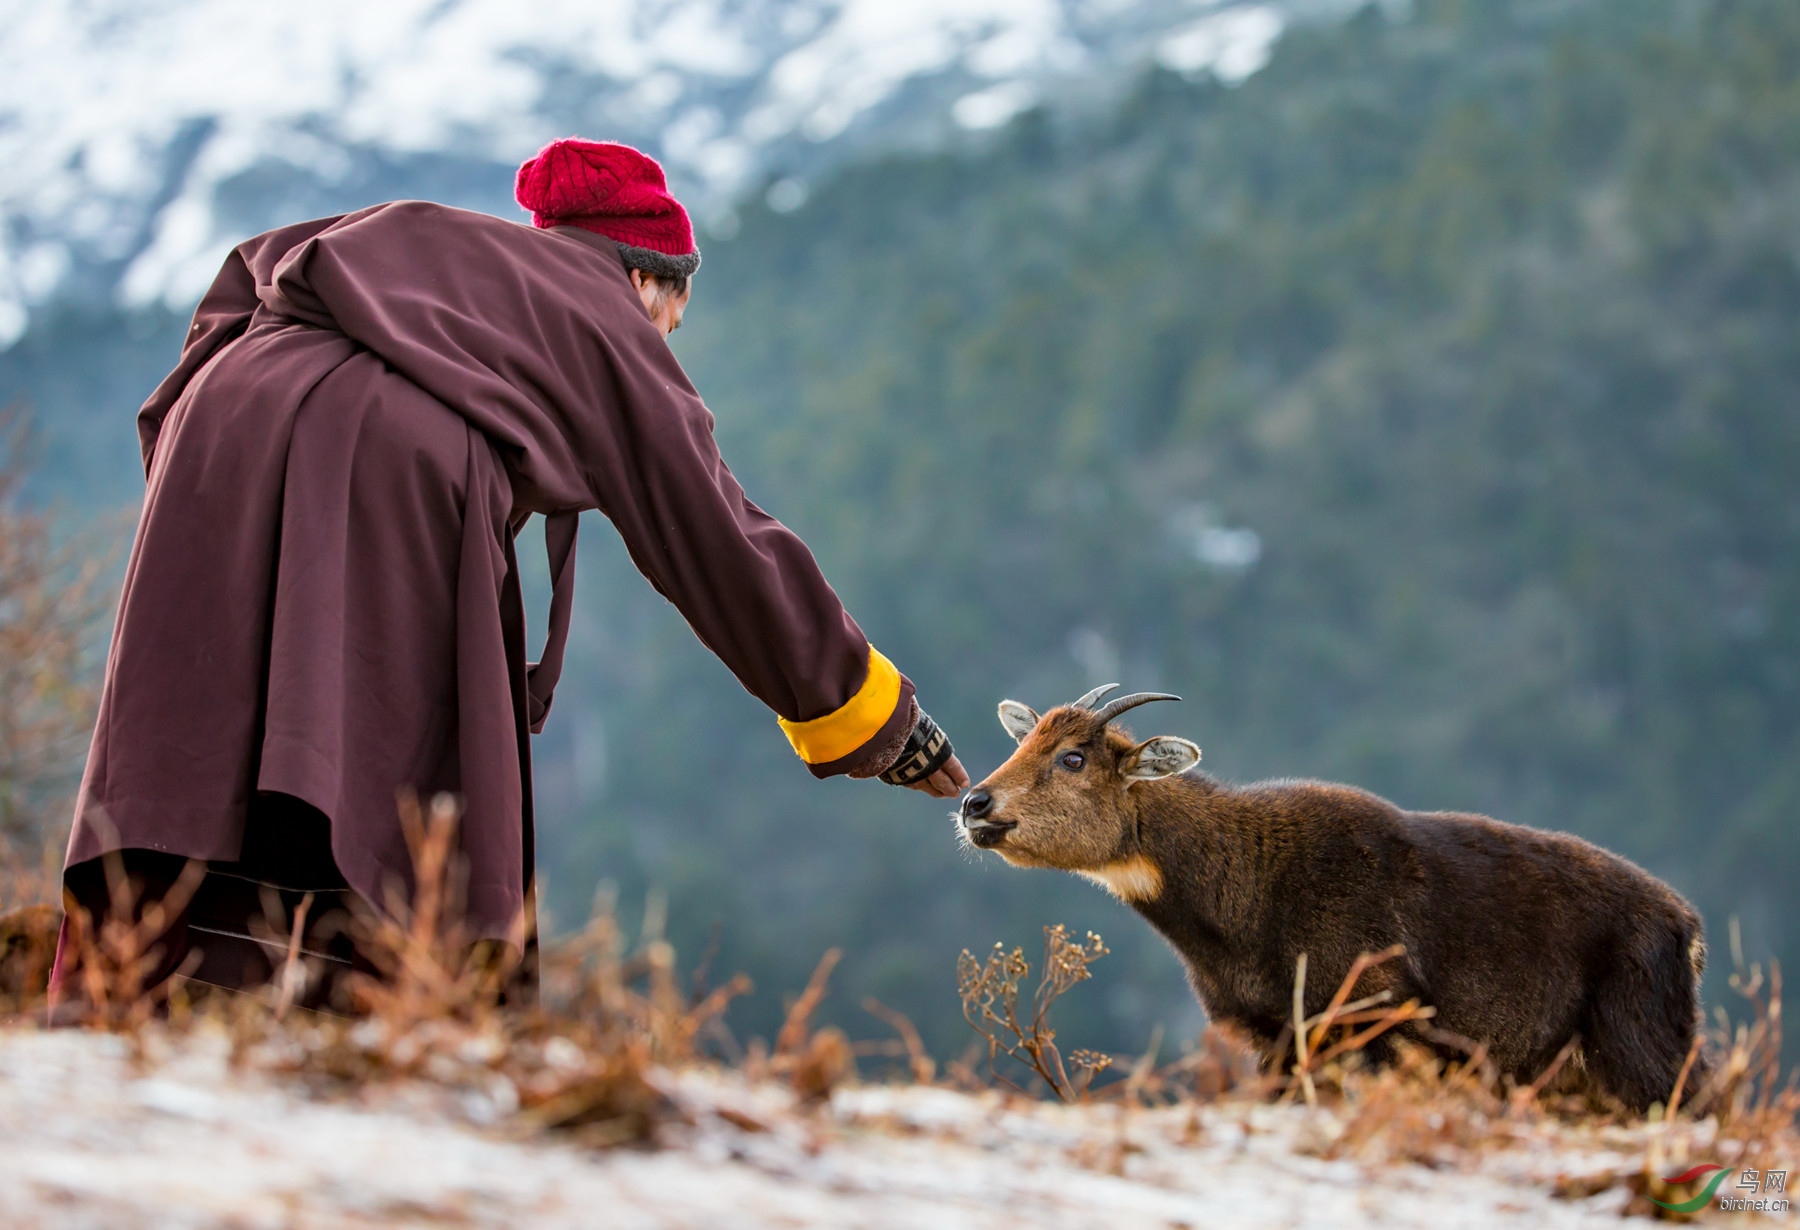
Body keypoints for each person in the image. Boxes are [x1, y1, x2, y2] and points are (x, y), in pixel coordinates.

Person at [50, 137, 968, 1011]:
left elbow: (227, 304)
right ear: (643, 276)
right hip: (376, 476)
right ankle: (381, 1005)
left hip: (216, 439)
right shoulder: (594, 307)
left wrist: (234, 519)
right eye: (667, 323)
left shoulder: (434, 267)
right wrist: (874, 717)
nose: (662, 346)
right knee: (394, 773)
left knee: (212, 745)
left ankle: (154, 982)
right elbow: (717, 536)